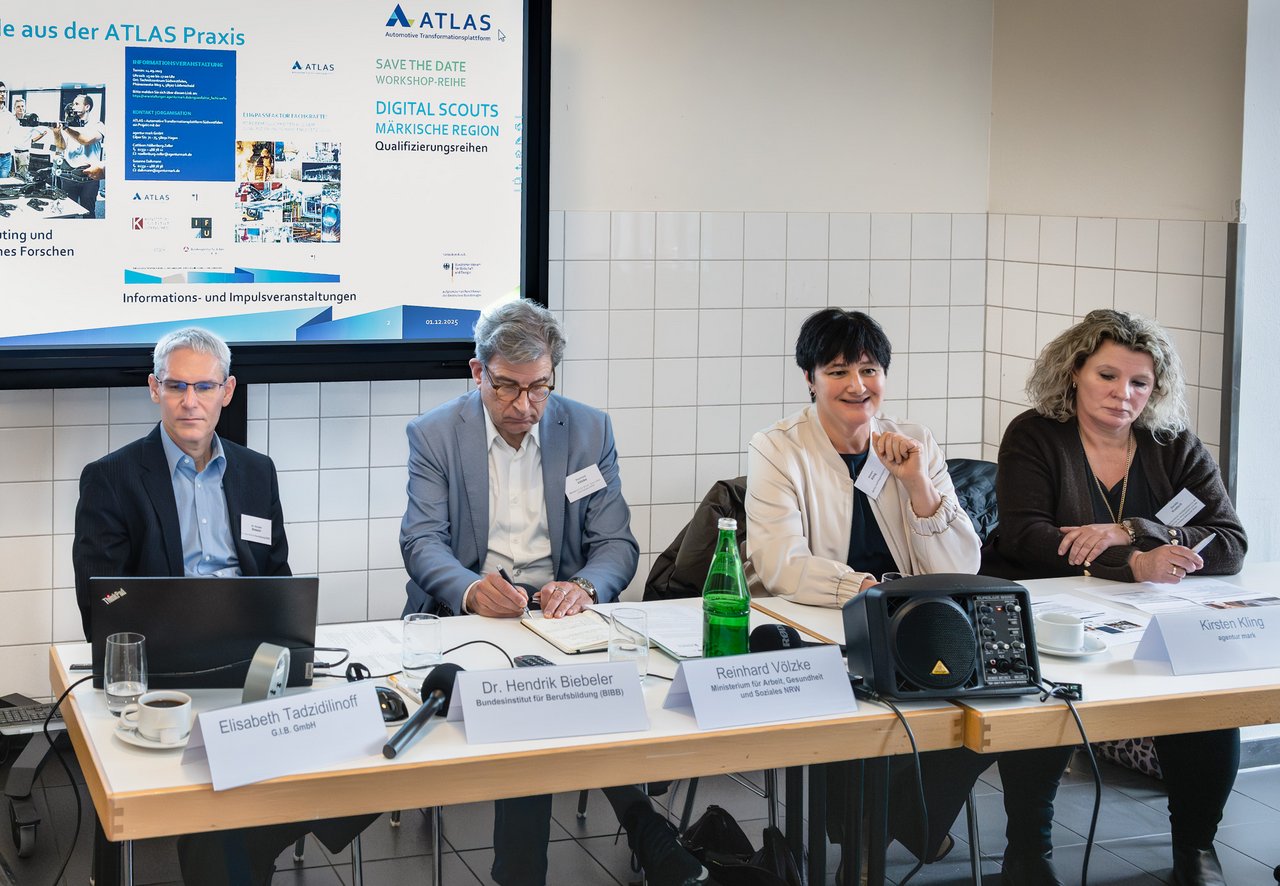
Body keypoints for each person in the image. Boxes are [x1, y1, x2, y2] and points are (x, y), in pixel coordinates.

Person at [400, 299, 706, 886]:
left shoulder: (588, 429)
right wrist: (470, 591)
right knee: (531, 706)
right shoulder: (435, 434)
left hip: (560, 612)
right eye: (508, 389)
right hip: (470, 618)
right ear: (477, 372)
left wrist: (586, 586)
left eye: (540, 388)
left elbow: (616, 544)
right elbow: (422, 543)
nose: (525, 407)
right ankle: (633, 828)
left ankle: (615, 833)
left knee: (600, 685)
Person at [72, 327, 371, 886]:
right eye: (177, 387)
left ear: (227, 391)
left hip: (253, 661)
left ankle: (249, 833)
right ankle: (237, 840)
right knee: (227, 792)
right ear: (154, 389)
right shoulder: (112, 480)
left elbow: (276, 578)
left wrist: (287, 642)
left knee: (363, 739)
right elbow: (103, 605)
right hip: (165, 670)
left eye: (204, 387)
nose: (190, 402)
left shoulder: (257, 472)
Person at [985, 309, 1247, 886]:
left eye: (1139, 383)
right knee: (1047, 703)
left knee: (1209, 696)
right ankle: (1028, 851)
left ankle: (1196, 852)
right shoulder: (1034, 433)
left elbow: (1230, 543)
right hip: (1051, 612)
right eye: (1107, 376)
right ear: (1075, 371)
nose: (1122, 395)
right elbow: (1029, 538)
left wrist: (1134, 531)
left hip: (1150, 618)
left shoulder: (1172, 444)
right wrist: (1136, 564)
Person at [745, 307, 988, 870]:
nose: (857, 386)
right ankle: (877, 828)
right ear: (809, 379)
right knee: (858, 699)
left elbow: (962, 565)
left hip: (909, 621)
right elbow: (781, 564)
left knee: (996, 695)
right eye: (837, 371)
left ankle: (893, 818)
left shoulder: (914, 442)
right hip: (817, 620)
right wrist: (864, 588)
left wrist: (919, 484)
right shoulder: (778, 447)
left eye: (869, 369)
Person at [49, 93, 104, 214]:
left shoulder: (98, 125)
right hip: (69, 176)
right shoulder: (67, 126)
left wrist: (66, 128)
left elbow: (86, 140)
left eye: (77, 104)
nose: (73, 106)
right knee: (67, 212)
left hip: (89, 177)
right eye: (73, 104)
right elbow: (61, 146)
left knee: (88, 212)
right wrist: (56, 132)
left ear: (87, 107)